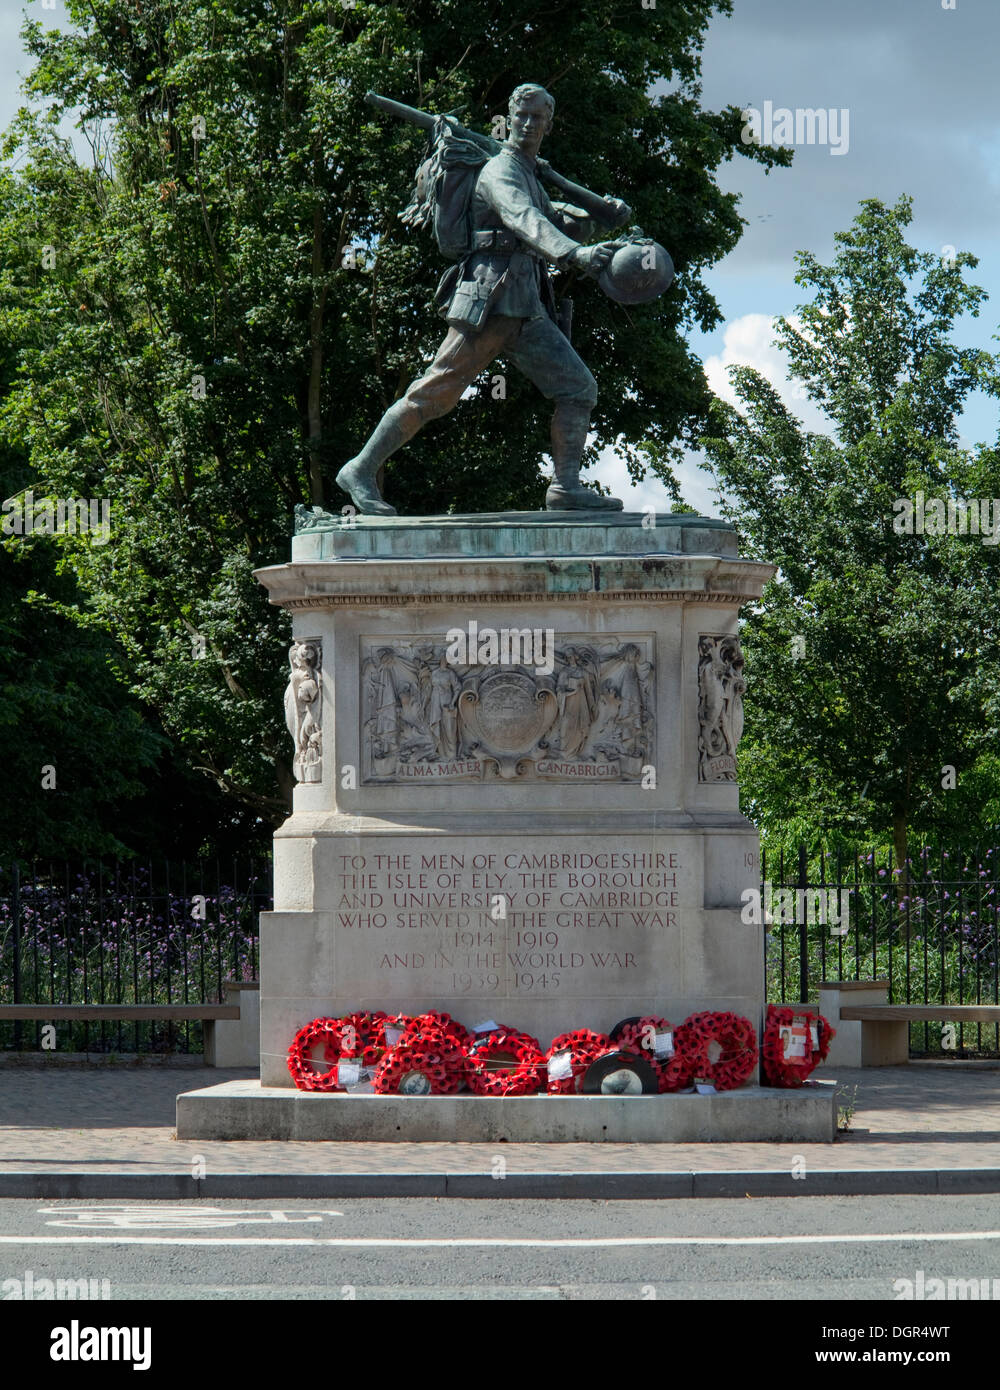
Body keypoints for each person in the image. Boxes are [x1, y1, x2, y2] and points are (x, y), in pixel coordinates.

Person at [336, 83, 630, 516]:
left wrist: (602, 215)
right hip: (489, 301)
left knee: (578, 388)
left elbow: (555, 218)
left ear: (548, 125)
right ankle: (360, 469)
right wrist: (575, 254)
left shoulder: (531, 173)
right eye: (521, 116)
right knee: (435, 392)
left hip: (525, 305)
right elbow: (525, 219)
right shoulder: (501, 171)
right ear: (508, 118)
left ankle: (565, 487)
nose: (528, 124)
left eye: (537, 118)